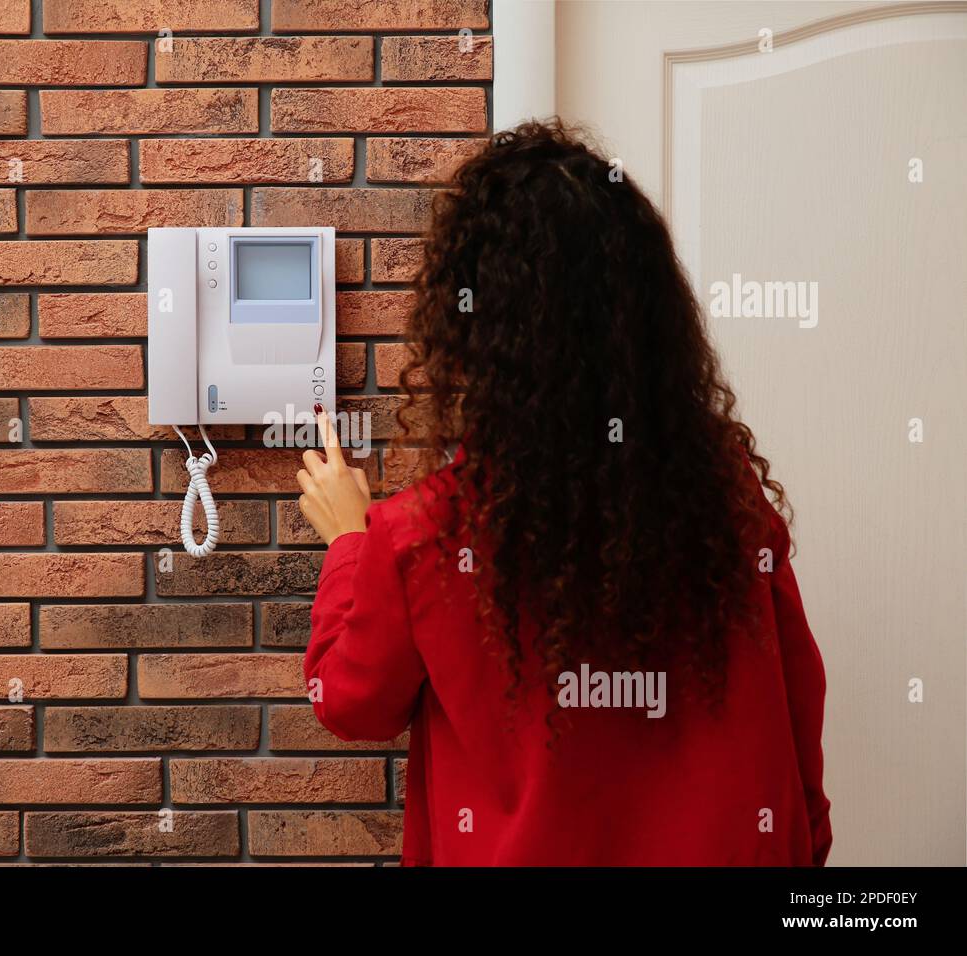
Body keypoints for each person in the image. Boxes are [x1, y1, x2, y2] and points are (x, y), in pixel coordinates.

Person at [295, 120, 830, 867]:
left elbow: (348, 701)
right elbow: (800, 720)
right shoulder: (729, 506)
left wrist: (350, 546)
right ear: (650, 316)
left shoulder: (425, 536)